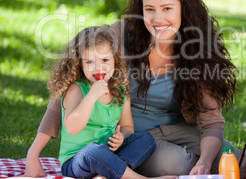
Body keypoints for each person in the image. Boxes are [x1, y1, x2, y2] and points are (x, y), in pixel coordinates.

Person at [24, 0, 244, 177]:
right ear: (141, 10)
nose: (158, 20)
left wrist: (205, 161)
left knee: (236, 162)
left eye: (167, 8)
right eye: (150, 10)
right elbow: (67, 92)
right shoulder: (119, 35)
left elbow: (211, 121)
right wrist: (33, 155)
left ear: (183, 8)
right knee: (179, 164)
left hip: (180, 130)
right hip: (133, 137)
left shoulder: (197, 48)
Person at [36, 25, 175, 179]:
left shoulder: (120, 90)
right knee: (95, 151)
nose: (98, 67)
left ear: (115, 59)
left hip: (109, 155)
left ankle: (104, 176)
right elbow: (72, 128)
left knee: (146, 139)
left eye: (104, 59)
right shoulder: (77, 89)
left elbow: (128, 127)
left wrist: (121, 137)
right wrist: (91, 96)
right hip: (78, 160)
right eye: (89, 62)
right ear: (79, 63)